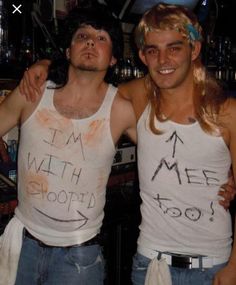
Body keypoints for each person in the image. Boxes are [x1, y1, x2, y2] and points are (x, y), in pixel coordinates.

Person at [19, 3, 236, 285]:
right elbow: (85, 80)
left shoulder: (228, 111)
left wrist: (234, 266)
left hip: (214, 265)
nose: (163, 59)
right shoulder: (134, 97)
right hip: (150, 264)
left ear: (193, 50)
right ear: (143, 56)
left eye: (174, 48)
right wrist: (47, 64)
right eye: (152, 50)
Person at [0, 3, 136, 285]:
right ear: (67, 50)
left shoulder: (121, 108)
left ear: (113, 58)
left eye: (102, 38)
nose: (90, 42)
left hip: (79, 257)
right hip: (22, 246)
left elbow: (168, 150)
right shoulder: (33, 93)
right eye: (82, 36)